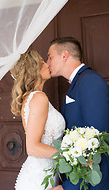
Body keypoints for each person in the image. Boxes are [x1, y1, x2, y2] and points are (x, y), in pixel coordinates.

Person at [47, 37, 109, 190]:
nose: (47, 62)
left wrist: (69, 187)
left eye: (50, 57)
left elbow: (96, 138)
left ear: (64, 55)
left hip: (100, 182)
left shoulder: (90, 81)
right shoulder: (80, 82)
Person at [11, 50, 66, 190]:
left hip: (46, 173)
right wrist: (69, 156)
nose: (47, 64)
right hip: (39, 180)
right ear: (33, 70)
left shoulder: (33, 98)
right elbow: (33, 147)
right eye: (42, 63)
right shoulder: (39, 98)